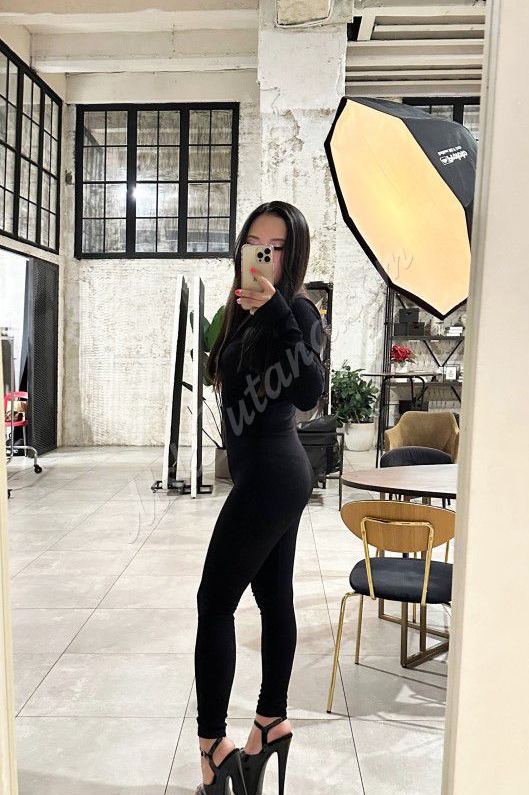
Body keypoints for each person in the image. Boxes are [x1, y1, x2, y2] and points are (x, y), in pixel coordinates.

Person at [194, 201, 325, 795]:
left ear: (292, 255)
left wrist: (275, 311)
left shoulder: (297, 310)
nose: (263, 254)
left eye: (276, 246)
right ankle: (270, 724)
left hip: (274, 473)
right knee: (273, 601)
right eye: (254, 243)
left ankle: (212, 746)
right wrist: (244, 318)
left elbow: (309, 391)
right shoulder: (238, 309)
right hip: (264, 473)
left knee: (214, 602)